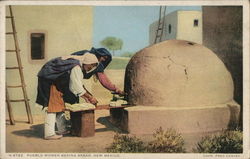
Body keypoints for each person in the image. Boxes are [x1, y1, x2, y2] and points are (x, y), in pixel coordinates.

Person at [36, 53, 99, 140]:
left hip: (54, 81)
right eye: (91, 65)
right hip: (49, 80)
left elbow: (79, 86)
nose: (91, 68)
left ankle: (62, 129)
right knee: (52, 107)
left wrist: (86, 98)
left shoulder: (78, 66)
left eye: (94, 66)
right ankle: (49, 134)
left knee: (60, 105)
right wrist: (90, 98)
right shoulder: (76, 67)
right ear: (87, 62)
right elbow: (76, 87)